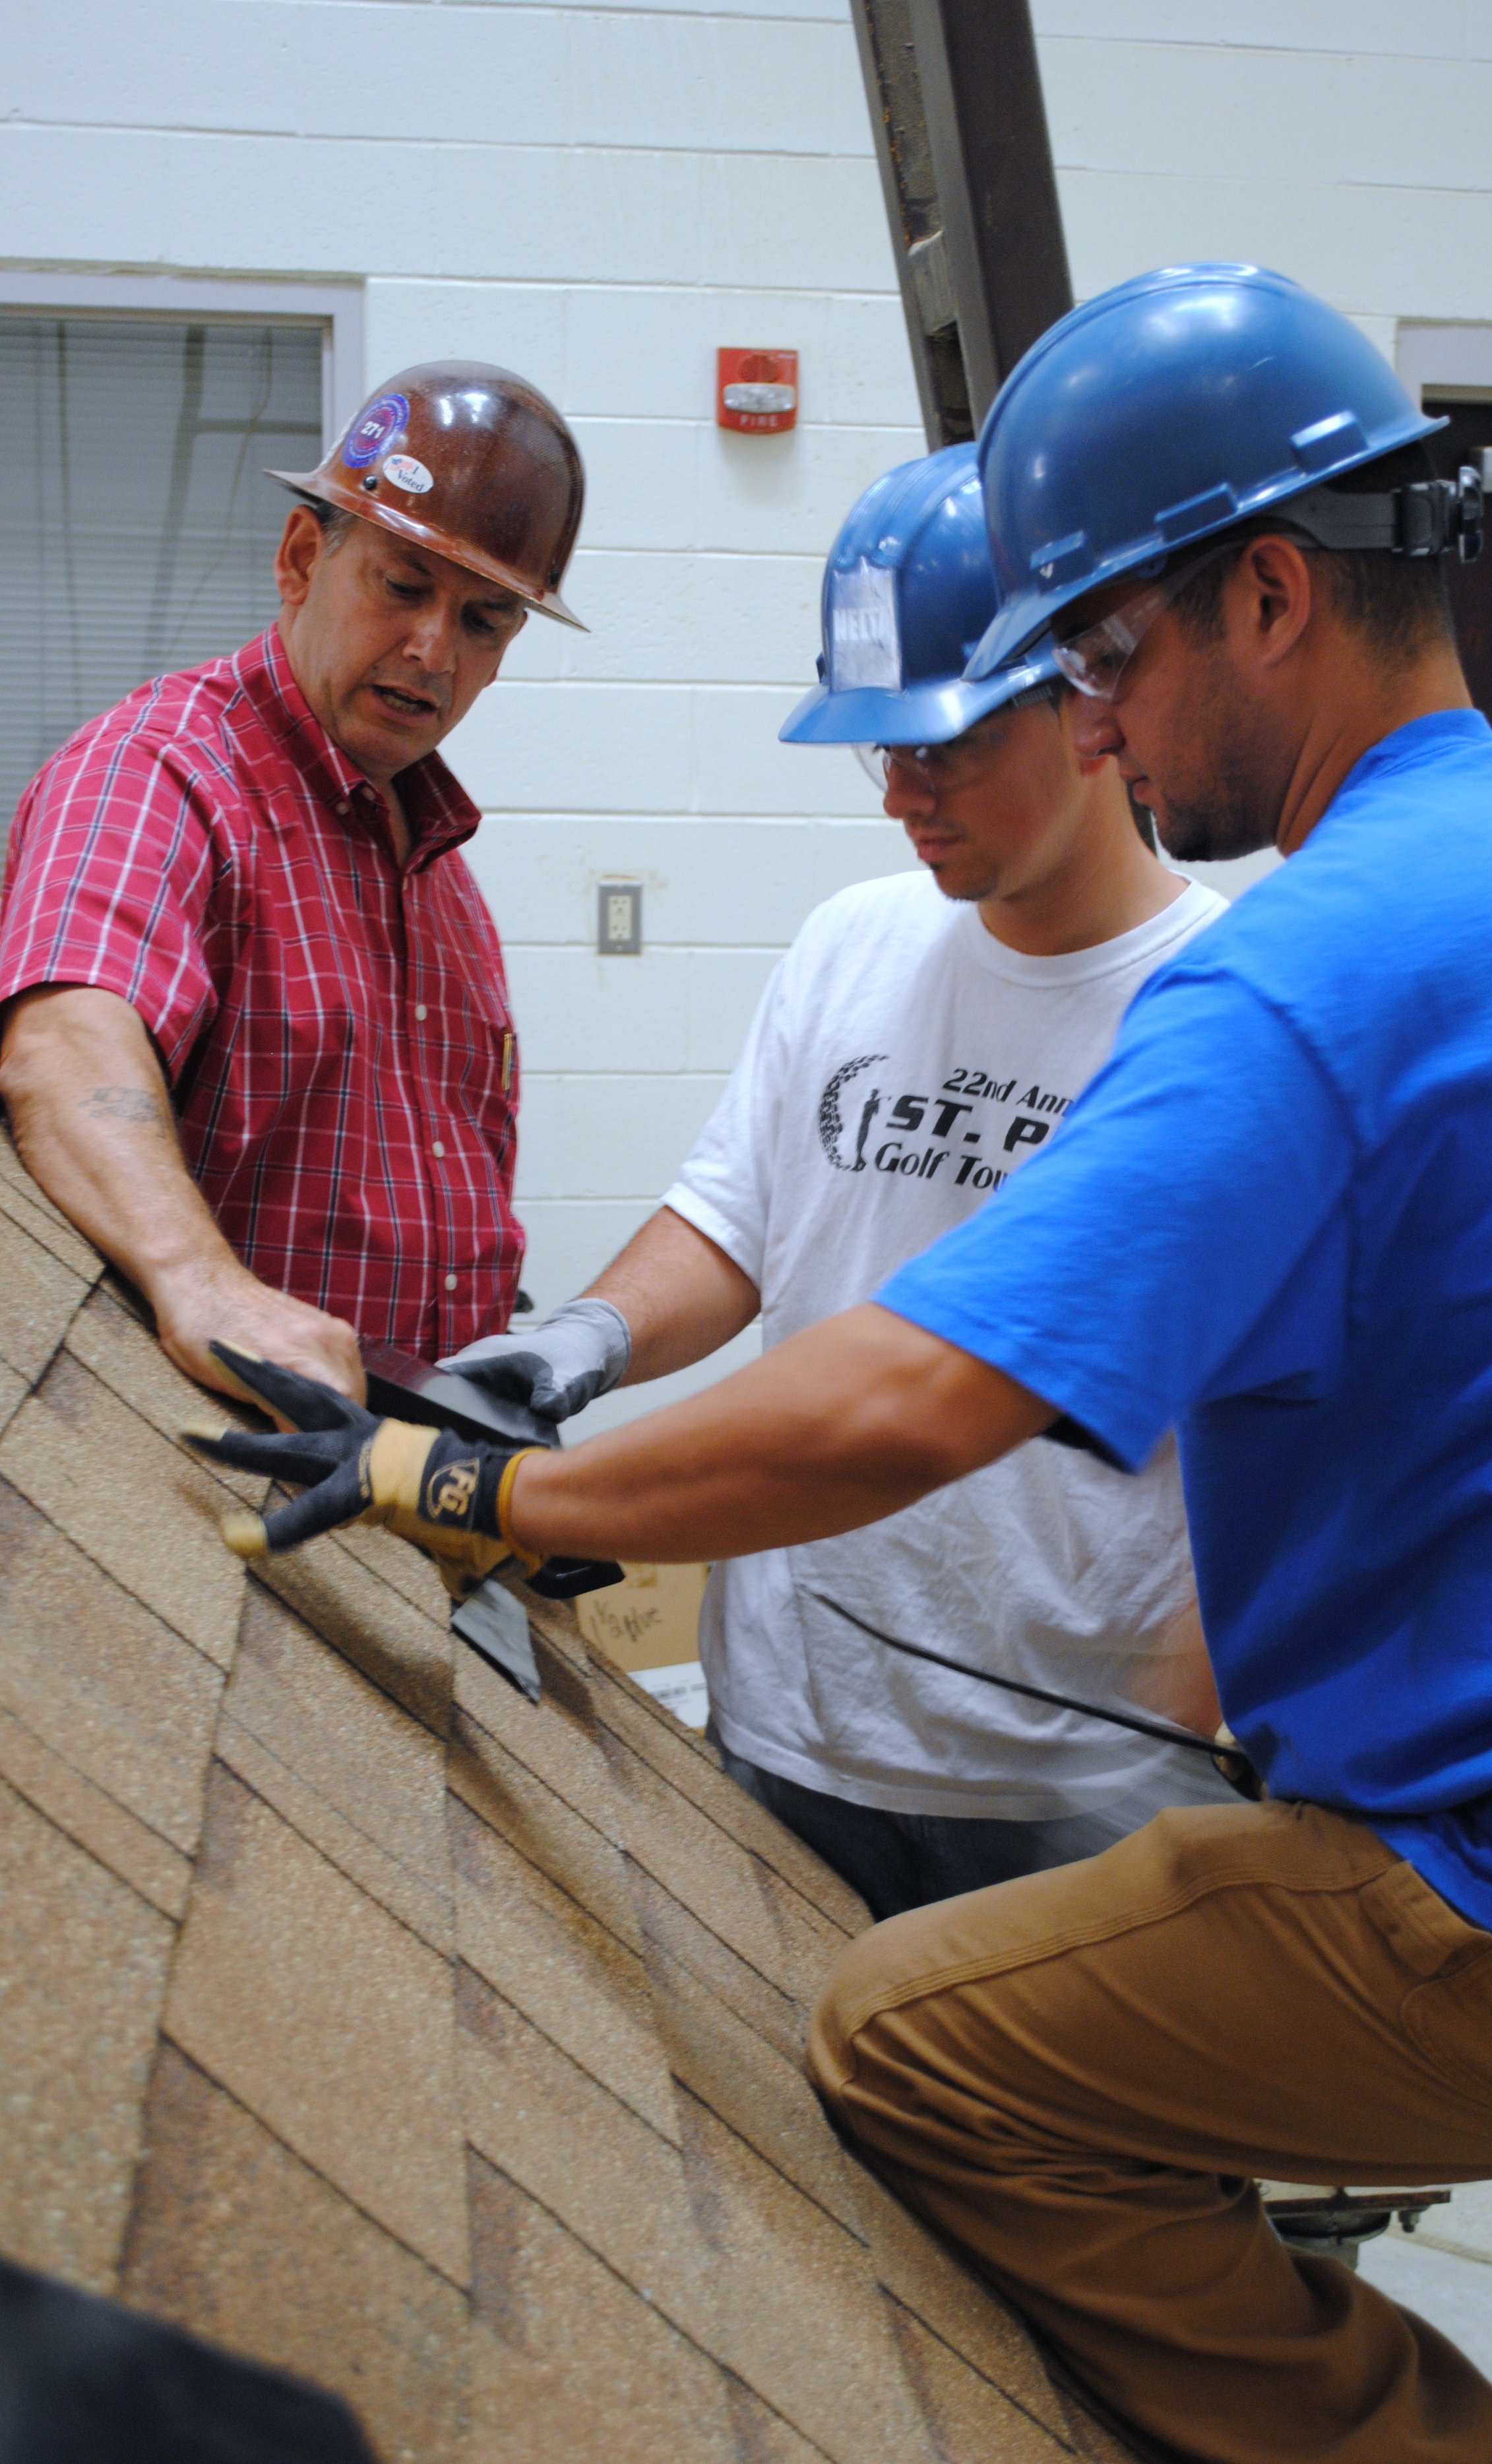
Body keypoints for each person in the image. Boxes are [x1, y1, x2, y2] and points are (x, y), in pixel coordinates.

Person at [189, 265, 1492, 2464]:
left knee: (918, 2054)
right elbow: (759, 1232)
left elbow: (910, 1396)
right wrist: (575, 1351)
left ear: (1265, 592)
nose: (1094, 722)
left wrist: (479, 1490)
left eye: (1098, 657)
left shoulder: (1286, 983)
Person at [442, 445, 1231, 1919]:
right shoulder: (849, 942)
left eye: (942, 750)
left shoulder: (1219, 1004)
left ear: (1086, 701)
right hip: (792, 1725)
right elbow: (737, 1220)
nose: (902, 801)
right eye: (884, 754)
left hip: (1079, 1779)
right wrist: (582, 1343)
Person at [0, 362, 584, 1401]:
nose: (432, 649)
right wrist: (203, 1287)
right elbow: (62, 1041)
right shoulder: (161, 774)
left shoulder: (441, 877)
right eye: (403, 587)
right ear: (306, 556)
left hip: (408, 1480)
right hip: (239, 1447)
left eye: (485, 621)